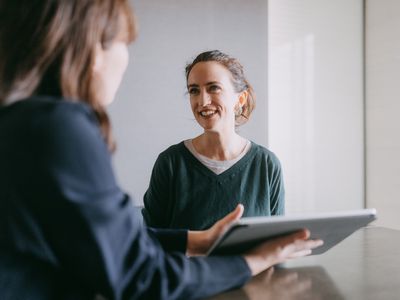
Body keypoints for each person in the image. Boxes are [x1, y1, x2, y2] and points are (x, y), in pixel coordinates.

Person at [0, 1, 323, 299]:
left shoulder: (24, 119)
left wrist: (198, 240)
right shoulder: (59, 126)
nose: (126, 60)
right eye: (124, 44)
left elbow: (113, 244)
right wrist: (250, 262)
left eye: (214, 88)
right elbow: (139, 273)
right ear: (94, 48)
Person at [142, 50, 284, 230]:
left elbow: (277, 245)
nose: (202, 101)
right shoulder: (171, 163)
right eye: (194, 90)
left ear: (240, 99)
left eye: (213, 88)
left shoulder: (266, 164)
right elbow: (149, 243)